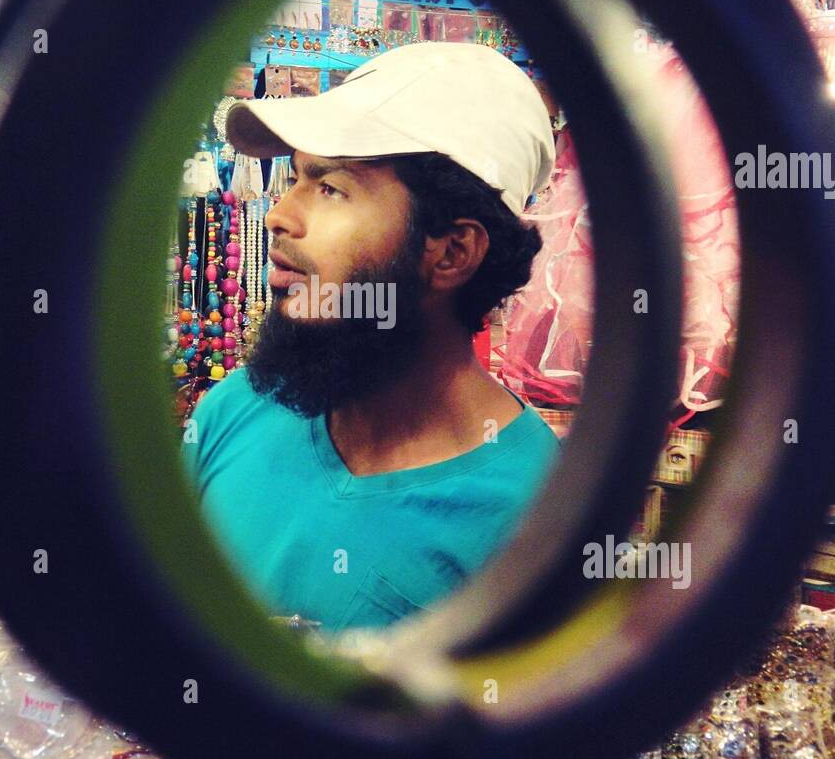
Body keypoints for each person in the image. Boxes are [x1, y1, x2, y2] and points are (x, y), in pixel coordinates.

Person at [182, 41, 560, 633]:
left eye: (330, 188)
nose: (279, 215)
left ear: (452, 252)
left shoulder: (539, 518)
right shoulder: (237, 410)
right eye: (295, 179)